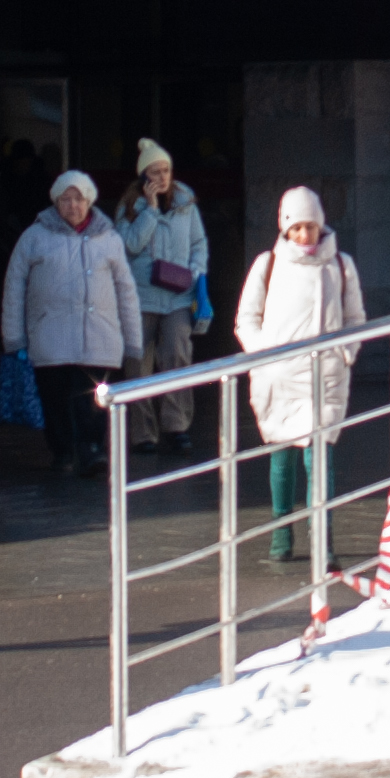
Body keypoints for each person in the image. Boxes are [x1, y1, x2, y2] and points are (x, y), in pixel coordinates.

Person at [234, 187, 365, 566]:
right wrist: (263, 356)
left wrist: (346, 352)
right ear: (285, 229)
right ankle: (281, 534)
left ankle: (322, 540)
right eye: (297, 228)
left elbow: (355, 318)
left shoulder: (340, 265)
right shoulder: (268, 265)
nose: (305, 236)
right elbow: (247, 317)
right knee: (281, 459)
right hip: (279, 377)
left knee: (318, 457)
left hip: (324, 377)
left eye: (311, 226)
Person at [1, 170, 142, 478]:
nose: (73, 206)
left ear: (89, 201)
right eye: (66, 199)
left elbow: (126, 290)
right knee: (55, 399)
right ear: (56, 202)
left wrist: (133, 340)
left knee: (93, 399)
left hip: (99, 337)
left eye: (79, 199)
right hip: (49, 336)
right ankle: (62, 451)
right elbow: (14, 286)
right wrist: (13, 338)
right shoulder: (34, 237)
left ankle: (91, 449)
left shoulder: (109, 238)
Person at [114, 141, 211, 458]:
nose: (162, 176)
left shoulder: (187, 204)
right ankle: (143, 433)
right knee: (137, 364)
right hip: (140, 297)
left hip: (178, 296)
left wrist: (196, 270)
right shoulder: (129, 207)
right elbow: (128, 246)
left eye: (166, 170)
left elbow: (199, 243)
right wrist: (151, 210)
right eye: (154, 172)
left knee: (177, 358)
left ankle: (177, 426)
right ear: (143, 176)